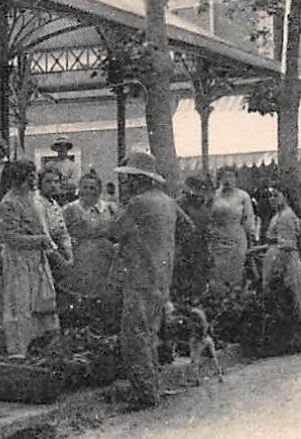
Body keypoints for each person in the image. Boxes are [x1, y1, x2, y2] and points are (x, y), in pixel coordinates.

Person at [108, 150, 177, 409]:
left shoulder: (138, 204)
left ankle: (145, 393)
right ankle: (153, 385)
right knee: (150, 333)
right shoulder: (167, 202)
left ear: (138, 179)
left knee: (134, 336)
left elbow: (114, 231)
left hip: (139, 276)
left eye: (131, 178)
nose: (128, 182)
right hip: (161, 277)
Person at [0, 160, 70, 357]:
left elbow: (45, 229)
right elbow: (10, 237)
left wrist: (54, 252)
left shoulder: (33, 200)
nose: (33, 179)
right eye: (30, 175)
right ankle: (20, 351)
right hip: (19, 262)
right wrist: (40, 240)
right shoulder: (9, 203)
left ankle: (45, 352)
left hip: (36, 260)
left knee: (42, 306)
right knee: (21, 307)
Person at [58, 171, 121, 332]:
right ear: (79, 188)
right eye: (84, 187)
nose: (88, 191)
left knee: (103, 297)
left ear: (99, 189)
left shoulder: (110, 209)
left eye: (93, 187)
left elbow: (118, 233)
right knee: (80, 297)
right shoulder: (69, 210)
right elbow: (60, 233)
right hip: (81, 258)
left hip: (105, 259)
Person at [252, 185, 301, 355]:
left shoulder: (285, 216)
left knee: (289, 296)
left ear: (285, 196)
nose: (272, 199)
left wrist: (265, 254)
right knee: (284, 299)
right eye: (270, 196)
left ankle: (297, 339)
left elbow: (287, 244)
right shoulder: (278, 215)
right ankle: (289, 339)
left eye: (276, 195)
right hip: (278, 256)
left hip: (284, 259)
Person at [207, 167, 258, 294]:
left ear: (236, 179)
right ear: (220, 179)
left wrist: (251, 238)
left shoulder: (243, 196)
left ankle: (235, 302)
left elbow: (248, 218)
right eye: (224, 176)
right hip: (218, 239)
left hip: (236, 239)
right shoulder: (214, 195)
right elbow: (208, 216)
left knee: (235, 274)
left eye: (231, 176)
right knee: (218, 273)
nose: (228, 179)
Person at [172, 173, 215, 303]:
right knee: (184, 283)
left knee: (199, 282)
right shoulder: (180, 204)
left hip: (200, 248)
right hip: (184, 248)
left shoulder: (203, 205)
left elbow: (207, 226)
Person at [47, 136, 81, 202]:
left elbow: (75, 183)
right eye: (59, 146)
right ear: (56, 149)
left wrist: (62, 182)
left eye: (64, 146)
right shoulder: (50, 165)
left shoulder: (73, 166)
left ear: (67, 148)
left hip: (68, 196)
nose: (62, 149)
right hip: (53, 196)